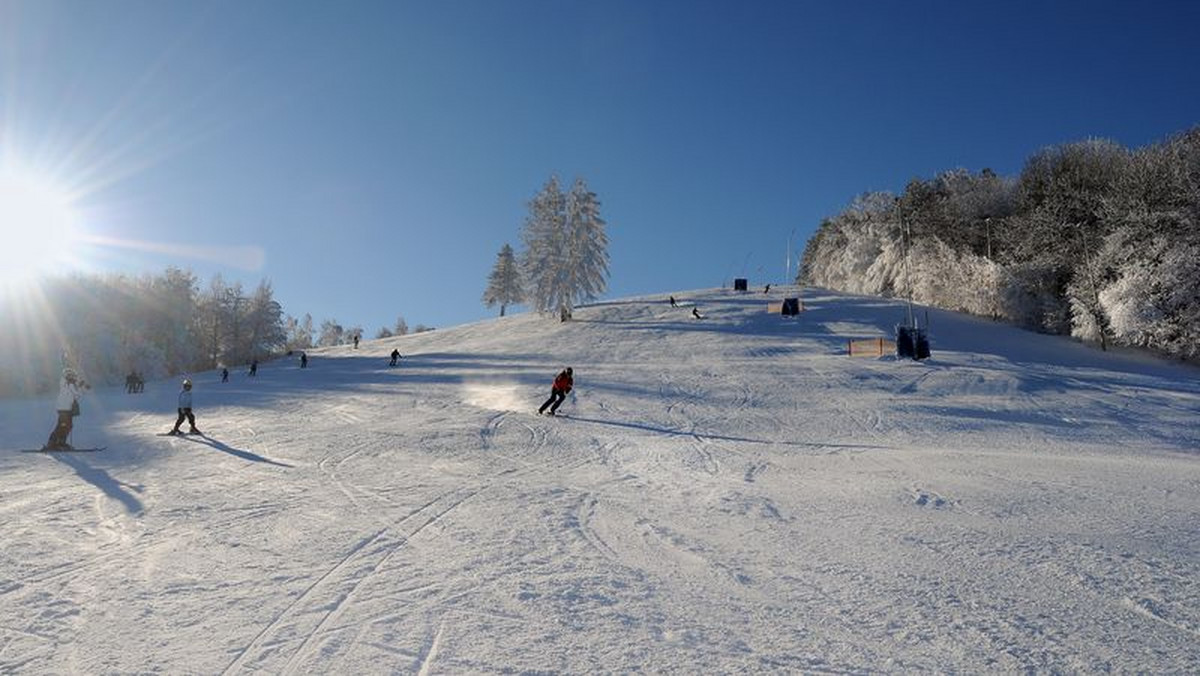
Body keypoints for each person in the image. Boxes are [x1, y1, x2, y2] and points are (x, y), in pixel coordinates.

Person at [43, 368, 89, 450]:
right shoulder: (65, 383)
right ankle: (52, 444)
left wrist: (82, 387)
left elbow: (77, 395)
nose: (74, 377)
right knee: (62, 426)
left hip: (67, 409)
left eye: (74, 376)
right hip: (63, 409)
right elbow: (75, 392)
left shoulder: (70, 384)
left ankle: (61, 443)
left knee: (68, 426)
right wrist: (81, 386)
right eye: (72, 376)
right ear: (67, 375)